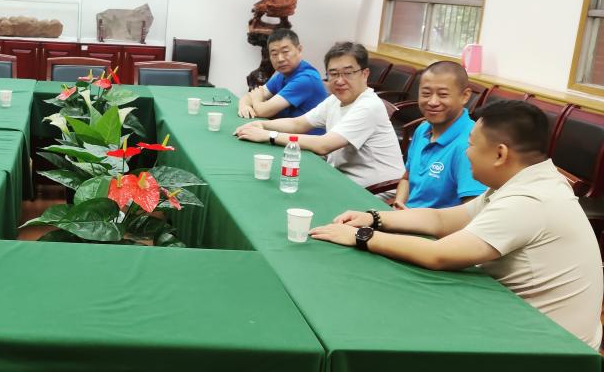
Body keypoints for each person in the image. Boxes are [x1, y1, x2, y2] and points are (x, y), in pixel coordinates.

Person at [310, 101, 603, 349]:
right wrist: (375, 218)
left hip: (549, 347)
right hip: (521, 322)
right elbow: (442, 220)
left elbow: (439, 255)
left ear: (500, 154)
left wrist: (361, 236)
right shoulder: (523, 181)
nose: (466, 152)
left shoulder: (530, 201)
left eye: (472, 145)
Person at [234, 42, 404, 188]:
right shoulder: (336, 100)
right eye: (333, 74)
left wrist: (268, 135)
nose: (340, 80)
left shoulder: (369, 106)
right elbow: (298, 124)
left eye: (348, 73)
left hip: (375, 192)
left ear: (364, 74)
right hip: (341, 179)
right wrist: (262, 125)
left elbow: (323, 145)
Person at [393, 61, 487, 209]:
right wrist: (398, 203)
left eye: (443, 95)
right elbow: (406, 178)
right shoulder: (422, 129)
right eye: (426, 94)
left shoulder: (470, 143)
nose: (432, 102)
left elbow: (471, 211)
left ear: (465, 96)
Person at [237, 28, 327, 135]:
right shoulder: (282, 75)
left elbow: (263, 111)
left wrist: (256, 100)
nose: (280, 59)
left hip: (304, 142)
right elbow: (249, 96)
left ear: (299, 49)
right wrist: (244, 106)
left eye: (285, 52)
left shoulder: (306, 79)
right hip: (283, 135)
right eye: (274, 54)